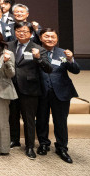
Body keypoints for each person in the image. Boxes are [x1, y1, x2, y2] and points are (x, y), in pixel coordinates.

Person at [8, 21, 52, 159]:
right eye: (19, 31)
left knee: (29, 119)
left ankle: (29, 146)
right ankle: (14, 140)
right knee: (12, 116)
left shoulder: (38, 48)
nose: (22, 33)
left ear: (31, 33)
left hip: (29, 89)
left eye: (25, 31)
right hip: (11, 88)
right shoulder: (8, 46)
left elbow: (48, 68)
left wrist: (38, 58)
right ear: (15, 32)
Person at [36, 28, 79, 163]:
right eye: (46, 36)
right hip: (41, 91)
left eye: (53, 37)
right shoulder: (36, 52)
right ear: (41, 38)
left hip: (60, 92)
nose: (50, 39)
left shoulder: (63, 53)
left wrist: (71, 59)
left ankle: (62, 147)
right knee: (41, 119)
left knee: (60, 121)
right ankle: (43, 143)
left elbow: (76, 70)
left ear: (57, 39)